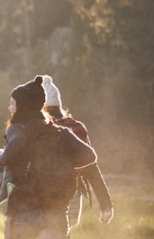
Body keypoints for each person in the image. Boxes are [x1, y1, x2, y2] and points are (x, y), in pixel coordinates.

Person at [0, 75, 97, 239]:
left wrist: (0, 155)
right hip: (55, 212)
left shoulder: (17, 130)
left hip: (22, 212)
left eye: (12, 103)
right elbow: (89, 156)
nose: (9, 107)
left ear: (21, 106)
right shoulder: (60, 132)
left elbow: (6, 159)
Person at [41, 75, 114, 226]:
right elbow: (91, 168)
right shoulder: (77, 127)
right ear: (59, 105)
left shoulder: (39, 129)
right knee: (64, 234)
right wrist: (106, 206)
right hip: (73, 190)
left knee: (47, 236)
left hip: (45, 192)